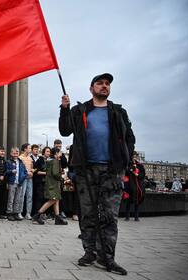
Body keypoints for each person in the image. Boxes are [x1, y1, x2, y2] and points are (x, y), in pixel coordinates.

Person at [59, 73, 135, 275]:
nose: (104, 86)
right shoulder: (79, 110)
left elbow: (129, 137)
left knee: (109, 215)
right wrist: (64, 109)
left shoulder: (118, 111)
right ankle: (89, 252)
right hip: (86, 170)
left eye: (107, 84)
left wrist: (124, 161)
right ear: (91, 88)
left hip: (112, 171)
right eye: (100, 83)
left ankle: (107, 257)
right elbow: (65, 131)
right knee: (88, 214)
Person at [32, 147, 68, 225]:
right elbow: (55, 174)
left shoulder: (50, 161)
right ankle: (37, 216)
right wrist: (61, 176)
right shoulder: (55, 161)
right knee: (52, 200)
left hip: (51, 183)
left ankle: (57, 218)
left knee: (56, 200)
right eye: (60, 153)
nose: (61, 154)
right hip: (53, 184)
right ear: (56, 154)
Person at [5, 147, 27, 221]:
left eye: (17, 153)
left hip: (19, 183)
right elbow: (5, 172)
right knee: (11, 199)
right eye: (14, 153)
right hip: (12, 183)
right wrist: (11, 171)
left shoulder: (21, 162)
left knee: (18, 199)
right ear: (11, 153)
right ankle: (9, 213)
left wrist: (22, 178)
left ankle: (16, 213)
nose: (15, 154)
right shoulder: (8, 162)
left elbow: (25, 172)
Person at [124, 151, 145, 221]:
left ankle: (136, 216)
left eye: (135, 156)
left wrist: (138, 175)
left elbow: (143, 174)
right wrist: (130, 170)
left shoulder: (140, 165)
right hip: (129, 185)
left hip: (137, 185)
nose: (134, 158)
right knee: (128, 201)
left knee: (137, 201)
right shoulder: (128, 164)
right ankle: (127, 216)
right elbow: (125, 172)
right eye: (133, 156)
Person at [32, 146, 51, 214]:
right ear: (44, 152)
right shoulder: (40, 160)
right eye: (47, 151)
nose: (49, 153)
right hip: (39, 182)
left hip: (46, 182)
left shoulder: (49, 160)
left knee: (44, 198)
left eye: (49, 152)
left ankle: (42, 213)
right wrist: (46, 173)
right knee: (39, 198)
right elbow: (36, 171)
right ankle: (36, 214)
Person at [18, 143, 34, 220]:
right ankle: (19, 212)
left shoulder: (30, 158)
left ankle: (28, 213)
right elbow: (20, 169)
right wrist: (26, 173)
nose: (30, 149)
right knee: (22, 195)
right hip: (23, 179)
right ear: (25, 149)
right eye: (29, 148)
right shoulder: (20, 158)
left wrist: (32, 172)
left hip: (30, 179)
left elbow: (32, 168)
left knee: (29, 196)